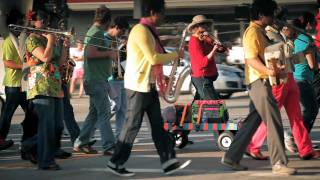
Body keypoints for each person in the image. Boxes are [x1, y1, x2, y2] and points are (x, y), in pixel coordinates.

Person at [106, 0, 191, 177]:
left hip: (147, 85)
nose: (163, 16)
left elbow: (150, 60)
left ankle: (168, 161)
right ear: (153, 12)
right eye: (162, 12)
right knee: (132, 127)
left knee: (158, 126)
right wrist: (176, 55)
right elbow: (153, 58)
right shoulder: (141, 31)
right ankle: (115, 162)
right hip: (138, 86)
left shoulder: (149, 30)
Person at [220, 0, 296, 175]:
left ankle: (232, 156)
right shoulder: (253, 32)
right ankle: (278, 163)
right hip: (259, 82)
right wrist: (269, 70)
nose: (273, 18)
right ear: (262, 15)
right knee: (274, 120)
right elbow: (251, 59)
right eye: (270, 14)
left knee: (253, 121)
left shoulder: (261, 31)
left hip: (261, 81)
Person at [246, 21, 320, 161]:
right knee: (272, 115)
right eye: (282, 19)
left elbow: (289, 60)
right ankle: (253, 146)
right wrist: (292, 42)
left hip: (290, 77)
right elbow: (279, 56)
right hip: (279, 80)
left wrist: (304, 52)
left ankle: (305, 149)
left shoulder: (280, 34)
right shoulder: (268, 34)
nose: (286, 24)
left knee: (296, 117)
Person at [25, 10, 68, 170]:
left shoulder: (47, 38)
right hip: (41, 86)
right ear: (33, 22)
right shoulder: (32, 39)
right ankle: (46, 161)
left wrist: (64, 46)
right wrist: (51, 40)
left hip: (55, 85)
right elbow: (44, 57)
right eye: (41, 20)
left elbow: (61, 62)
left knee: (57, 126)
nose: (45, 22)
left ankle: (29, 144)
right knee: (47, 126)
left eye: (46, 20)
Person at [73, 5, 117, 155]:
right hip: (96, 80)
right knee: (104, 113)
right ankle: (109, 146)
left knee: (94, 114)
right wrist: (109, 54)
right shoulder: (97, 33)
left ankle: (81, 142)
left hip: (95, 79)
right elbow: (90, 53)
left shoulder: (93, 31)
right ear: (107, 20)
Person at [0, 9, 37, 157]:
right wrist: (26, 66)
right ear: (12, 25)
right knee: (7, 114)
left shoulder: (22, 39)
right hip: (13, 84)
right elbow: (7, 63)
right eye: (20, 23)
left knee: (31, 114)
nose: (23, 26)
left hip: (23, 83)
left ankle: (28, 142)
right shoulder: (9, 41)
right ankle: (1, 139)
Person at [104, 16, 129, 140]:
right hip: (111, 78)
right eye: (122, 31)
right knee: (114, 107)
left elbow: (123, 59)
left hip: (122, 77)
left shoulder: (117, 40)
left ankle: (120, 136)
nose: (122, 34)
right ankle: (95, 128)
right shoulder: (104, 38)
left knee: (123, 109)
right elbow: (108, 57)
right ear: (117, 27)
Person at [294, 12, 319, 133]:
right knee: (312, 110)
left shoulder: (298, 37)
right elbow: (312, 65)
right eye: (314, 23)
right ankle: (298, 138)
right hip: (303, 80)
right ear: (308, 24)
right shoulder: (307, 39)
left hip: (296, 78)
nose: (315, 25)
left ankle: (301, 139)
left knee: (308, 109)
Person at [188, 15, 220, 101]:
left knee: (198, 105)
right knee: (213, 104)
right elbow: (202, 63)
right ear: (196, 27)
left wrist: (223, 46)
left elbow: (220, 48)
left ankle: (189, 114)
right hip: (202, 78)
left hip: (207, 77)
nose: (206, 26)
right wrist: (214, 50)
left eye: (206, 24)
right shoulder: (194, 41)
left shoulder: (205, 38)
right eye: (203, 24)